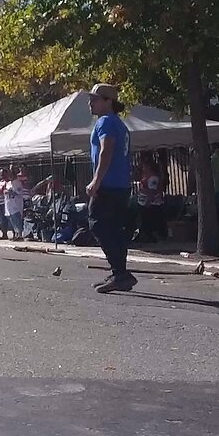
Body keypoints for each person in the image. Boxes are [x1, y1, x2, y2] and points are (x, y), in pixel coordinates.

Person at [86, 83, 136, 294]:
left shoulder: (105, 122)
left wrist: (96, 181)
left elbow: (106, 150)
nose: (91, 103)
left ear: (108, 102)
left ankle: (120, 273)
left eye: (95, 99)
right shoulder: (120, 124)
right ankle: (119, 273)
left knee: (98, 224)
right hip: (121, 185)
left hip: (108, 184)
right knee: (114, 229)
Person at [136, 159, 165, 243]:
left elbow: (152, 191)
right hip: (142, 201)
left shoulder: (153, 178)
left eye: (145, 166)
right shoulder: (145, 176)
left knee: (150, 220)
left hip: (151, 203)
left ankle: (153, 237)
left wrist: (148, 201)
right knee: (144, 220)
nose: (143, 168)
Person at [3, 170, 27, 241]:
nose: (9, 176)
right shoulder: (8, 183)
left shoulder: (17, 183)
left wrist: (9, 192)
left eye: (11, 175)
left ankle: (20, 234)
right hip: (9, 205)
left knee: (17, 220)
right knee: (12, 221)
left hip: (16, 205)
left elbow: (18, 192)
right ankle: (16, 234)